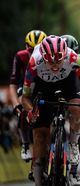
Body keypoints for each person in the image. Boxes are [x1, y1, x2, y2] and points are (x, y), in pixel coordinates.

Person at [21, 35, 80, 186]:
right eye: (51, 63)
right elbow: (25, 97)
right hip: (43, 87)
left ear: (64, 55)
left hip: (68, 84)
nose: (55, 66)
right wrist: (31, 111)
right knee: (40, 134)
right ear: (43, 58)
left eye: (58, 62)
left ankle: (73, 144)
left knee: (78, 106)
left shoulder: (73, 58)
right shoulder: (34, 62)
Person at [9, 30, 46, 161]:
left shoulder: (49, 57)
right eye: (31, 50)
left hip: (42, 86)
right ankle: (25, 144)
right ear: (26, 47)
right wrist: (15, 104)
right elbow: (13, 84)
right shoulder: (20, 56)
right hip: (25, 87)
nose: (34, 53)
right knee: (24, 109)